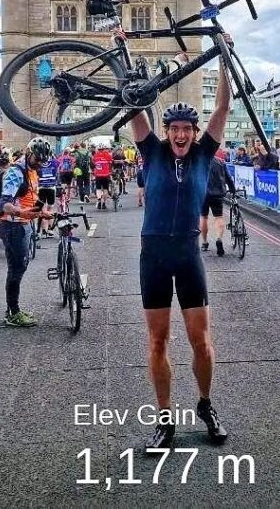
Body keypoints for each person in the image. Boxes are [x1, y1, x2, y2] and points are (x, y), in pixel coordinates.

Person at [113, 26, 232, 451]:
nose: (181, 134)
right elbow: (137, 103)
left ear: (195, 133)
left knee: (201, 340)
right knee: (158, 340)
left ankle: (205, 404)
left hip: (187, 254)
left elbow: (223, 106)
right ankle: (164, 418)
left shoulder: (204, 153)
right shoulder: (152, 152)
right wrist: (121, 48)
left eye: (188, 128)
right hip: (154, 257)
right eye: (175, 128)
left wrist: (223, 57)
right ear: (167, 132)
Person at [0, 138, 54, 326]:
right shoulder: (15, 172)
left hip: (25, 223)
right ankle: (13, 312)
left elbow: (31, 197)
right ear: (29, 153)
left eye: (42, 162)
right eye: (37, 160)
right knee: (16, 268)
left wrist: (42, 212)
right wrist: (22, 213)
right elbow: (4, 204)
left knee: (20, 266)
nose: (39, 164)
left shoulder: (31, 171)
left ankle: (12, 310)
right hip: (14, 225)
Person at [200, 155, 237, 256]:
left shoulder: (198, 161)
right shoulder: (220, 162)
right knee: (218, 217)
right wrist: (233, 190)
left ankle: (204, 242)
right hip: (217, 193)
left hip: (202, 194)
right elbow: (228, 178)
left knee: (204, 217)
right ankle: (219, 239)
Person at [36, 146, 59, 235]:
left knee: (42, 209)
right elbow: (57, 171)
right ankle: (49, 228)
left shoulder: (38, 163)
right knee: (50, 208)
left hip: (41, 187)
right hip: (51, 187)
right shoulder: (54, 162)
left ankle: (42, 230)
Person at [92, 143, 114, 210]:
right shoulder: (108, 155)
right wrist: (110, 170)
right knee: (105, 189)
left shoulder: (95, 156)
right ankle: (104, 203)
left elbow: (93, 165)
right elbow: (111, 164)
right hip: (106, 175)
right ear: (103, 149)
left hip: (98, 175)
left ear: (98, 149)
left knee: (98, 189)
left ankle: (99, 200)